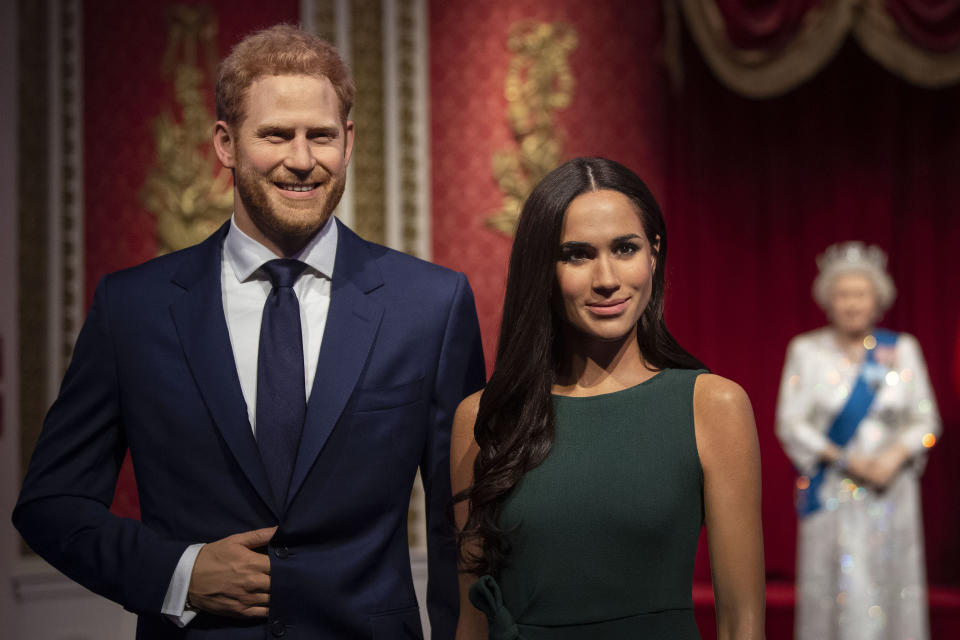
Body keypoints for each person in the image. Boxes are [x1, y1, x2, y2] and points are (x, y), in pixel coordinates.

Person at [13, 24, 485, 639]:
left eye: (320, 135)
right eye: (275, 135)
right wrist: (179, 572)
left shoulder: (431, 303)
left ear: (348, 142)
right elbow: (51, 505)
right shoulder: (133, 308)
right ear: (226, 143)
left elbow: (462, 528)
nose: (301, 158)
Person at [450, 157, 765, 639]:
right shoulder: (484, 417)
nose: (606, 278)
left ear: (654, 255)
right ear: (544, 270)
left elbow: (742, 622)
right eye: (577, 254)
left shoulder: (712, 405)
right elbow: (471, 623)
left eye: (625, 248)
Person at [775, 241, 941, 640]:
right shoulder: (806, 351)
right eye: (843, 294)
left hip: (891, 489)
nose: (852, 304)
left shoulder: (902, 350)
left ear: (877, 299)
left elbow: (926, 419)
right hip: (833, 488)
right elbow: (790, 422)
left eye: (860, 294)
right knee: (833, 586)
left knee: (889, 584)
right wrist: (847, 460)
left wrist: (894, 456)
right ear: (828, 300)